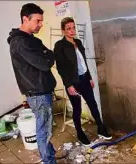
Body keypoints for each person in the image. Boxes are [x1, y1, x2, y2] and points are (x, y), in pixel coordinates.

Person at [7, 3, 57, 164]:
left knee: (45, 128)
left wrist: (46, 56)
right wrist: (47, 57)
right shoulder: (20, 42)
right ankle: (48, 161)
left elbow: (49, 54)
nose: (41, 24)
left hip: (41, 91)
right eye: (38, 21)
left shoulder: (30, 40)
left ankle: (49, 155)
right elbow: (44, 63)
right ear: (25, 19)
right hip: (38, 94)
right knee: (44, 130)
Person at [54, 17, 112, 146]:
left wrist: (90, 76)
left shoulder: (78, 42)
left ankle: (101, 128)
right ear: (63, 31)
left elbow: (83, 61)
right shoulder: (60, 45)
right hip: (73, 82)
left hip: (85, 78)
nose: (72, 30)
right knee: (77, 109)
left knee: (93, 104)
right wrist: (68, 85)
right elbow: (61, 67)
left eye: (73, 27)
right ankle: (80, 133)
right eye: (68, 28)